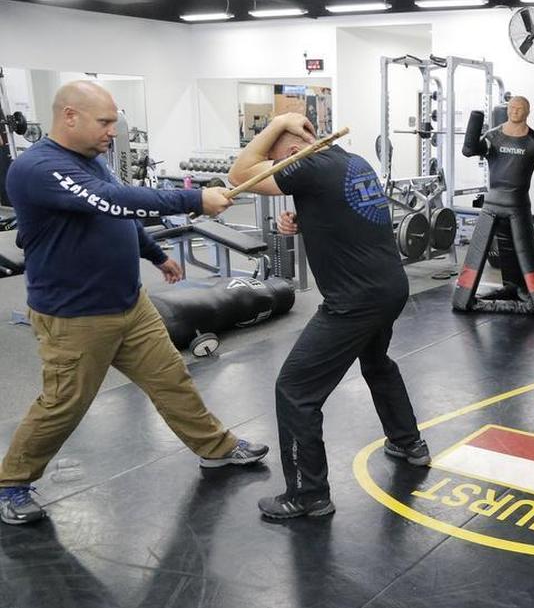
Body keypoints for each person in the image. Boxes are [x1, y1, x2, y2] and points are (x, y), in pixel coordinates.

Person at [0, 81, 269, 526]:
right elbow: (110, 200)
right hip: (75, 315)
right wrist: (194, 199)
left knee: (172, 379)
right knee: (64, 403)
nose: (112, 131)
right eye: (105, 122)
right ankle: (11, 483)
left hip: (130, 304)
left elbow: (119, 214)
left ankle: (215, 447)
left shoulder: (93, 160)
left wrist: (156, 255)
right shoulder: (38, 168)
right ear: (69, 116)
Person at [228, 113, 428, 521]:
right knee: (377, 363)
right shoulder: (351, 162)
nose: (276, 164)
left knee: (294, 390)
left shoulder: (307, 164)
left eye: (277, 157)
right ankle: (409, 442)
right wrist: (305, 220)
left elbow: (239, 175)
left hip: (354, 300)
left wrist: (278, 122)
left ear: (293, 151)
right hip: (390, 287)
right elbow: (347, 212)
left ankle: (308, 494)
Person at [452, 96, 534, 315]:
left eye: (520, 108)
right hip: (492, 204)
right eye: (512, 107)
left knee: (527, 256)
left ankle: (532, 296)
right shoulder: (493, 136)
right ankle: (498, 290)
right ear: (508, 110)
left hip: (518, 206)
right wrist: (474, 124)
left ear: (528, 112)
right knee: (484, 254)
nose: (515, 111)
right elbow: (469, 150)